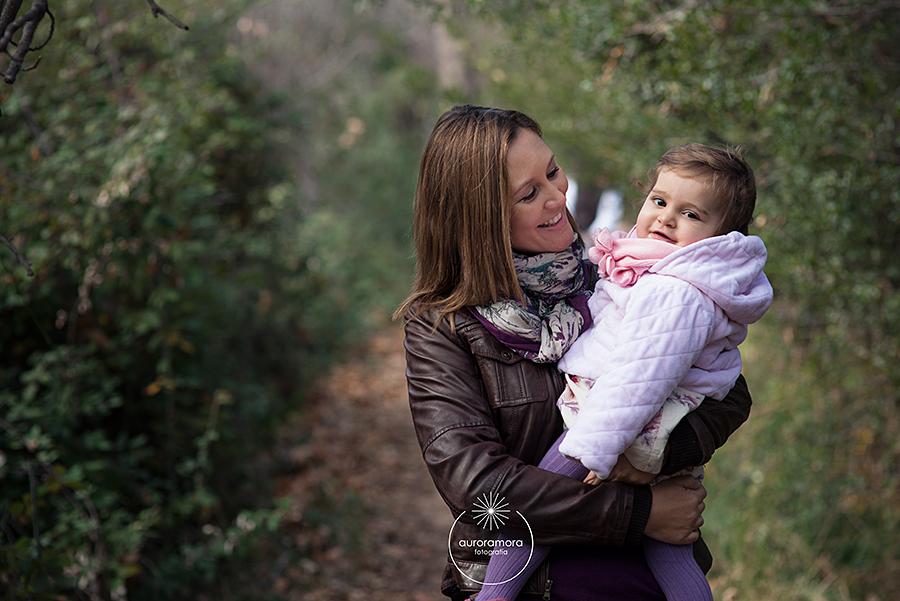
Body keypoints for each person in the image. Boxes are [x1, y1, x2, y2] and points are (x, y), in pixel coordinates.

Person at [397, 105, 754, 601]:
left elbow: (729, 394)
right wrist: (641, 513)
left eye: (552, 171)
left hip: (640, 581)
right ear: (483, 219)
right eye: (529, 194)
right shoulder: (443, 325)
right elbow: (477, 487)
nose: (557, 196)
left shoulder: (610, 275)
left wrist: (660, 453)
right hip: (532, 587)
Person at [475, 143, 773, 601]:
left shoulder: (676, 291)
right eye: (659, 201)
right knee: (671, 549)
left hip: (614, 424)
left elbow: (640, 379)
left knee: (527, 519)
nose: (666, 219)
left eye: (691, 214)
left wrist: (597, 450)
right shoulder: (654, 270)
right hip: (641, 423)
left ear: (721, 238)